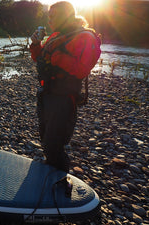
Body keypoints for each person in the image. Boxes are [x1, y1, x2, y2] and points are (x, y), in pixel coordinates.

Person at [30, 1, 101, 172]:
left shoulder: (85, 37)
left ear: (65, 15)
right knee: (45, 136)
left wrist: (58, 57)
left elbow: (82, 69)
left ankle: (61, 180)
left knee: (54, 143)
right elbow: (40, 59)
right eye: (49, 16)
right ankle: (50, 170)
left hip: (63, 98)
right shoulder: (56, 35)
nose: (49, 20)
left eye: (53, 16)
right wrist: (35, 45)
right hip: (46, 94)